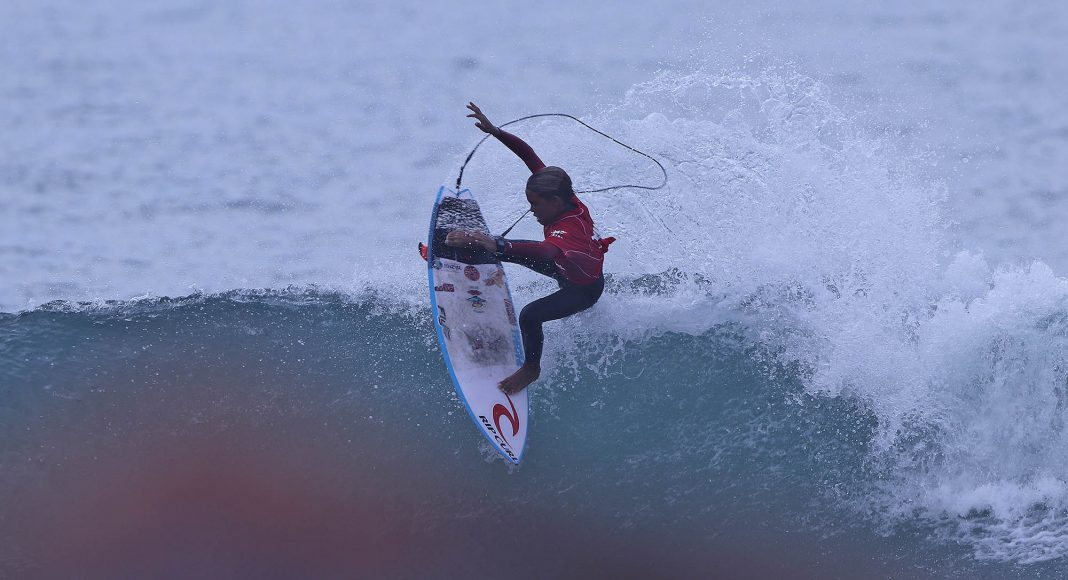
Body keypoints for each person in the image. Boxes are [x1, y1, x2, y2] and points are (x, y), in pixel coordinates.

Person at [444, 102, 614, 394]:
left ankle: (531, 369)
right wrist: (495, 131)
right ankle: (467, 258)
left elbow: (547, 251)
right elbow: (530, 156)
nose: (531, 209)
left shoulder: (568, 229)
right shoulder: (559, 191)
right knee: (499, 248)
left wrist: (497, 243)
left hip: (582, 289)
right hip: (564, 267)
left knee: (530, 315)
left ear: (556, 203)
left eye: (535, 204)